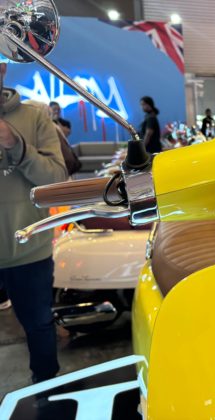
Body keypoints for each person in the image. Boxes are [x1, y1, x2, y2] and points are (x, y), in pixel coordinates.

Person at [0, 75, 67, 382]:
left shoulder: (34, 117)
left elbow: (56, 180)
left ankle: (47, 391)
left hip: (29, 251)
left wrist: (16, 145)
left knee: (39, 327)